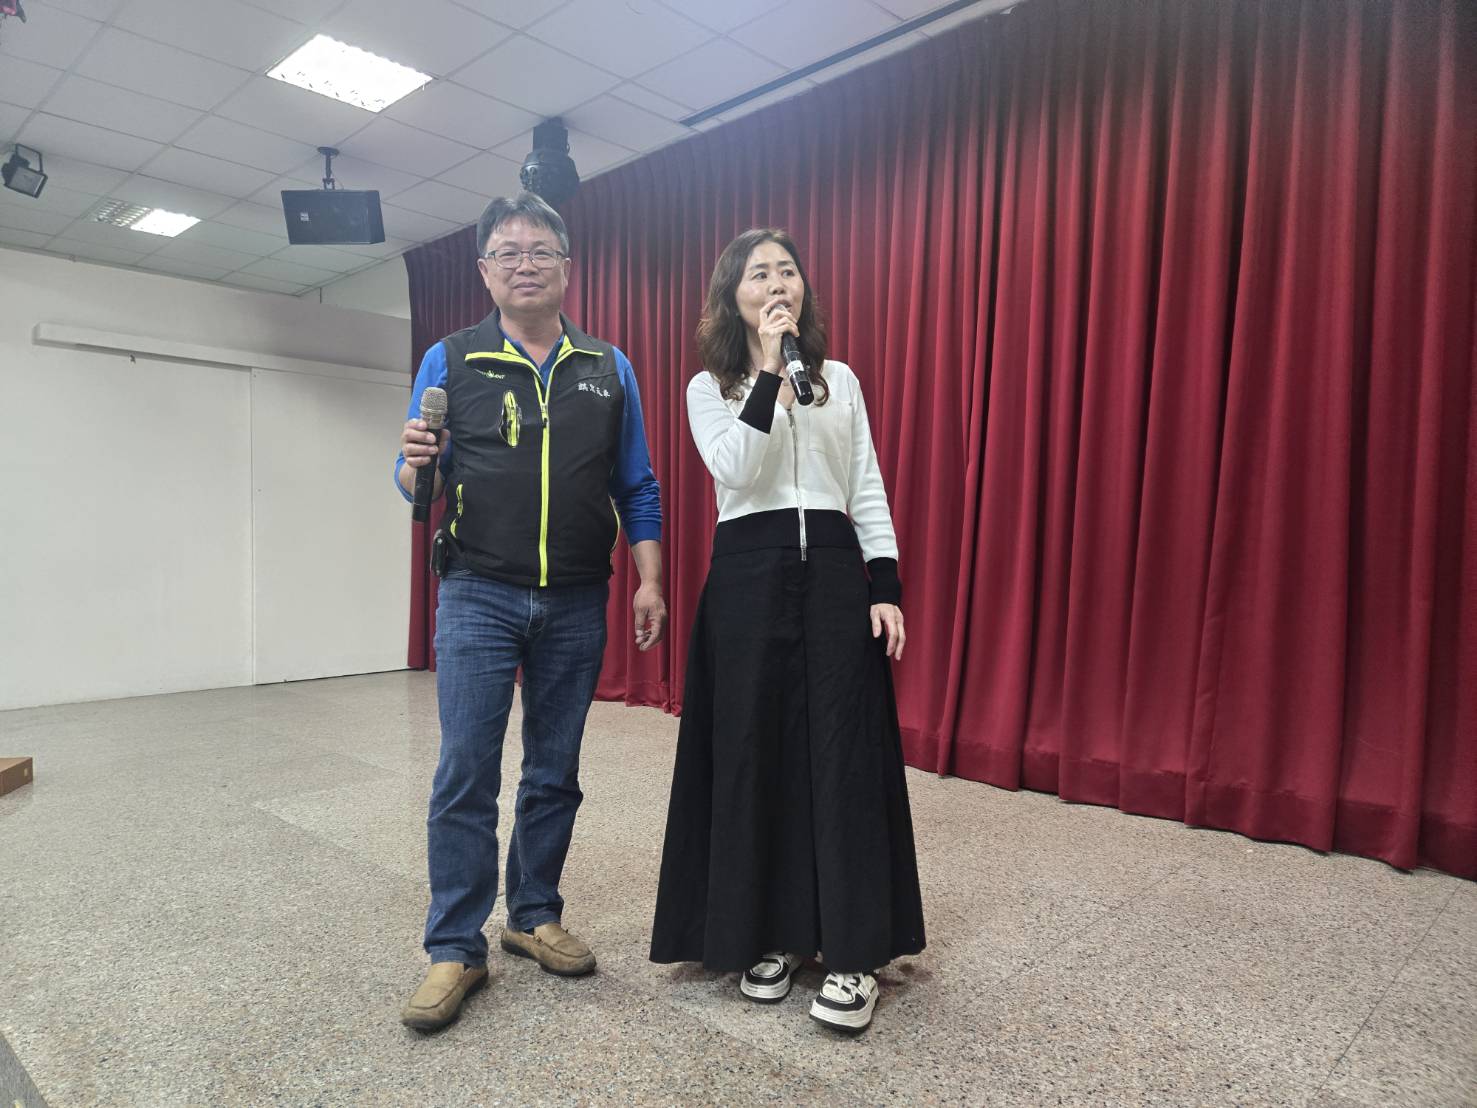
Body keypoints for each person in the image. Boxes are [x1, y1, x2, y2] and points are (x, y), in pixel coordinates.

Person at [395, 192, 667, 1031]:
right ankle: (454, 946)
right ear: (484, 270)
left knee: (554, 770)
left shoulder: (607, 367)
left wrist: (649, 581)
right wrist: (412, 462)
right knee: (466, 771)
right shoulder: (450, 359)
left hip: (579, 595)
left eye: (540, 250)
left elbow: (637, 484)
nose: (524, 265)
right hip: (477, 591)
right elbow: (412, 484)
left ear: (566, 268)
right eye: (507, 253)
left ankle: (533, 914)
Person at [650, 228, 924, 1033]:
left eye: (787, 271)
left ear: (803, 287)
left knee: (841, 759)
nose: (776, 284)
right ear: (731, 295)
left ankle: (851, 952)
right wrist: (769, 374)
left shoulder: (839, 381)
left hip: (833, 573)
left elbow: (864, 481)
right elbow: (736, 469)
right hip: (747, 578)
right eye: (758, 274)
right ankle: (767, 933)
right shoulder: (709, 387)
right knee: (754, 756)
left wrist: (883, 582)